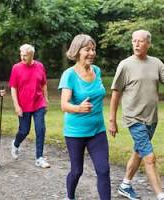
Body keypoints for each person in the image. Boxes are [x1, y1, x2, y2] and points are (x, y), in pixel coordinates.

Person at [109, 29, 164, 200]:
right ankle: (160, 194)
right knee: (150, 157)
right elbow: (116, 94)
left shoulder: (157, 63)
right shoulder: (125, 65)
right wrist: (112, 120)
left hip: (152, 118)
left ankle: (125, 185)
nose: (137, 44)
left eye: (140, 41)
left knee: (139, 151)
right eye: (134, 41)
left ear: (148, 43)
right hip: (134, 118)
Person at [58, 34, 111, 200]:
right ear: (77, 51)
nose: (91, 53)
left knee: (103, 170)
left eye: (93, 49)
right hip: (76, 132)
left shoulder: (97, 70)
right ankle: (70, 196)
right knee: (76, 171)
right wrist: (79, 108)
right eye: (87, 49)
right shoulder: (69, 75)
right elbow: (64, 105)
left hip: (97, 130)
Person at [9, 43, 50, 168]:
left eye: (25, 55)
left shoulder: (40, 66)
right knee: (24, 130)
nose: (22, 57)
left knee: (40, 129)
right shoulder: (16, 68)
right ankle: (15, 144)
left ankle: (39, 157)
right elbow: (13, 88)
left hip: (38, 103)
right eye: (21, 55)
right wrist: (16, 105)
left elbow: (43, 84)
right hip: (23, 105)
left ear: (32, 55)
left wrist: (46, 100)